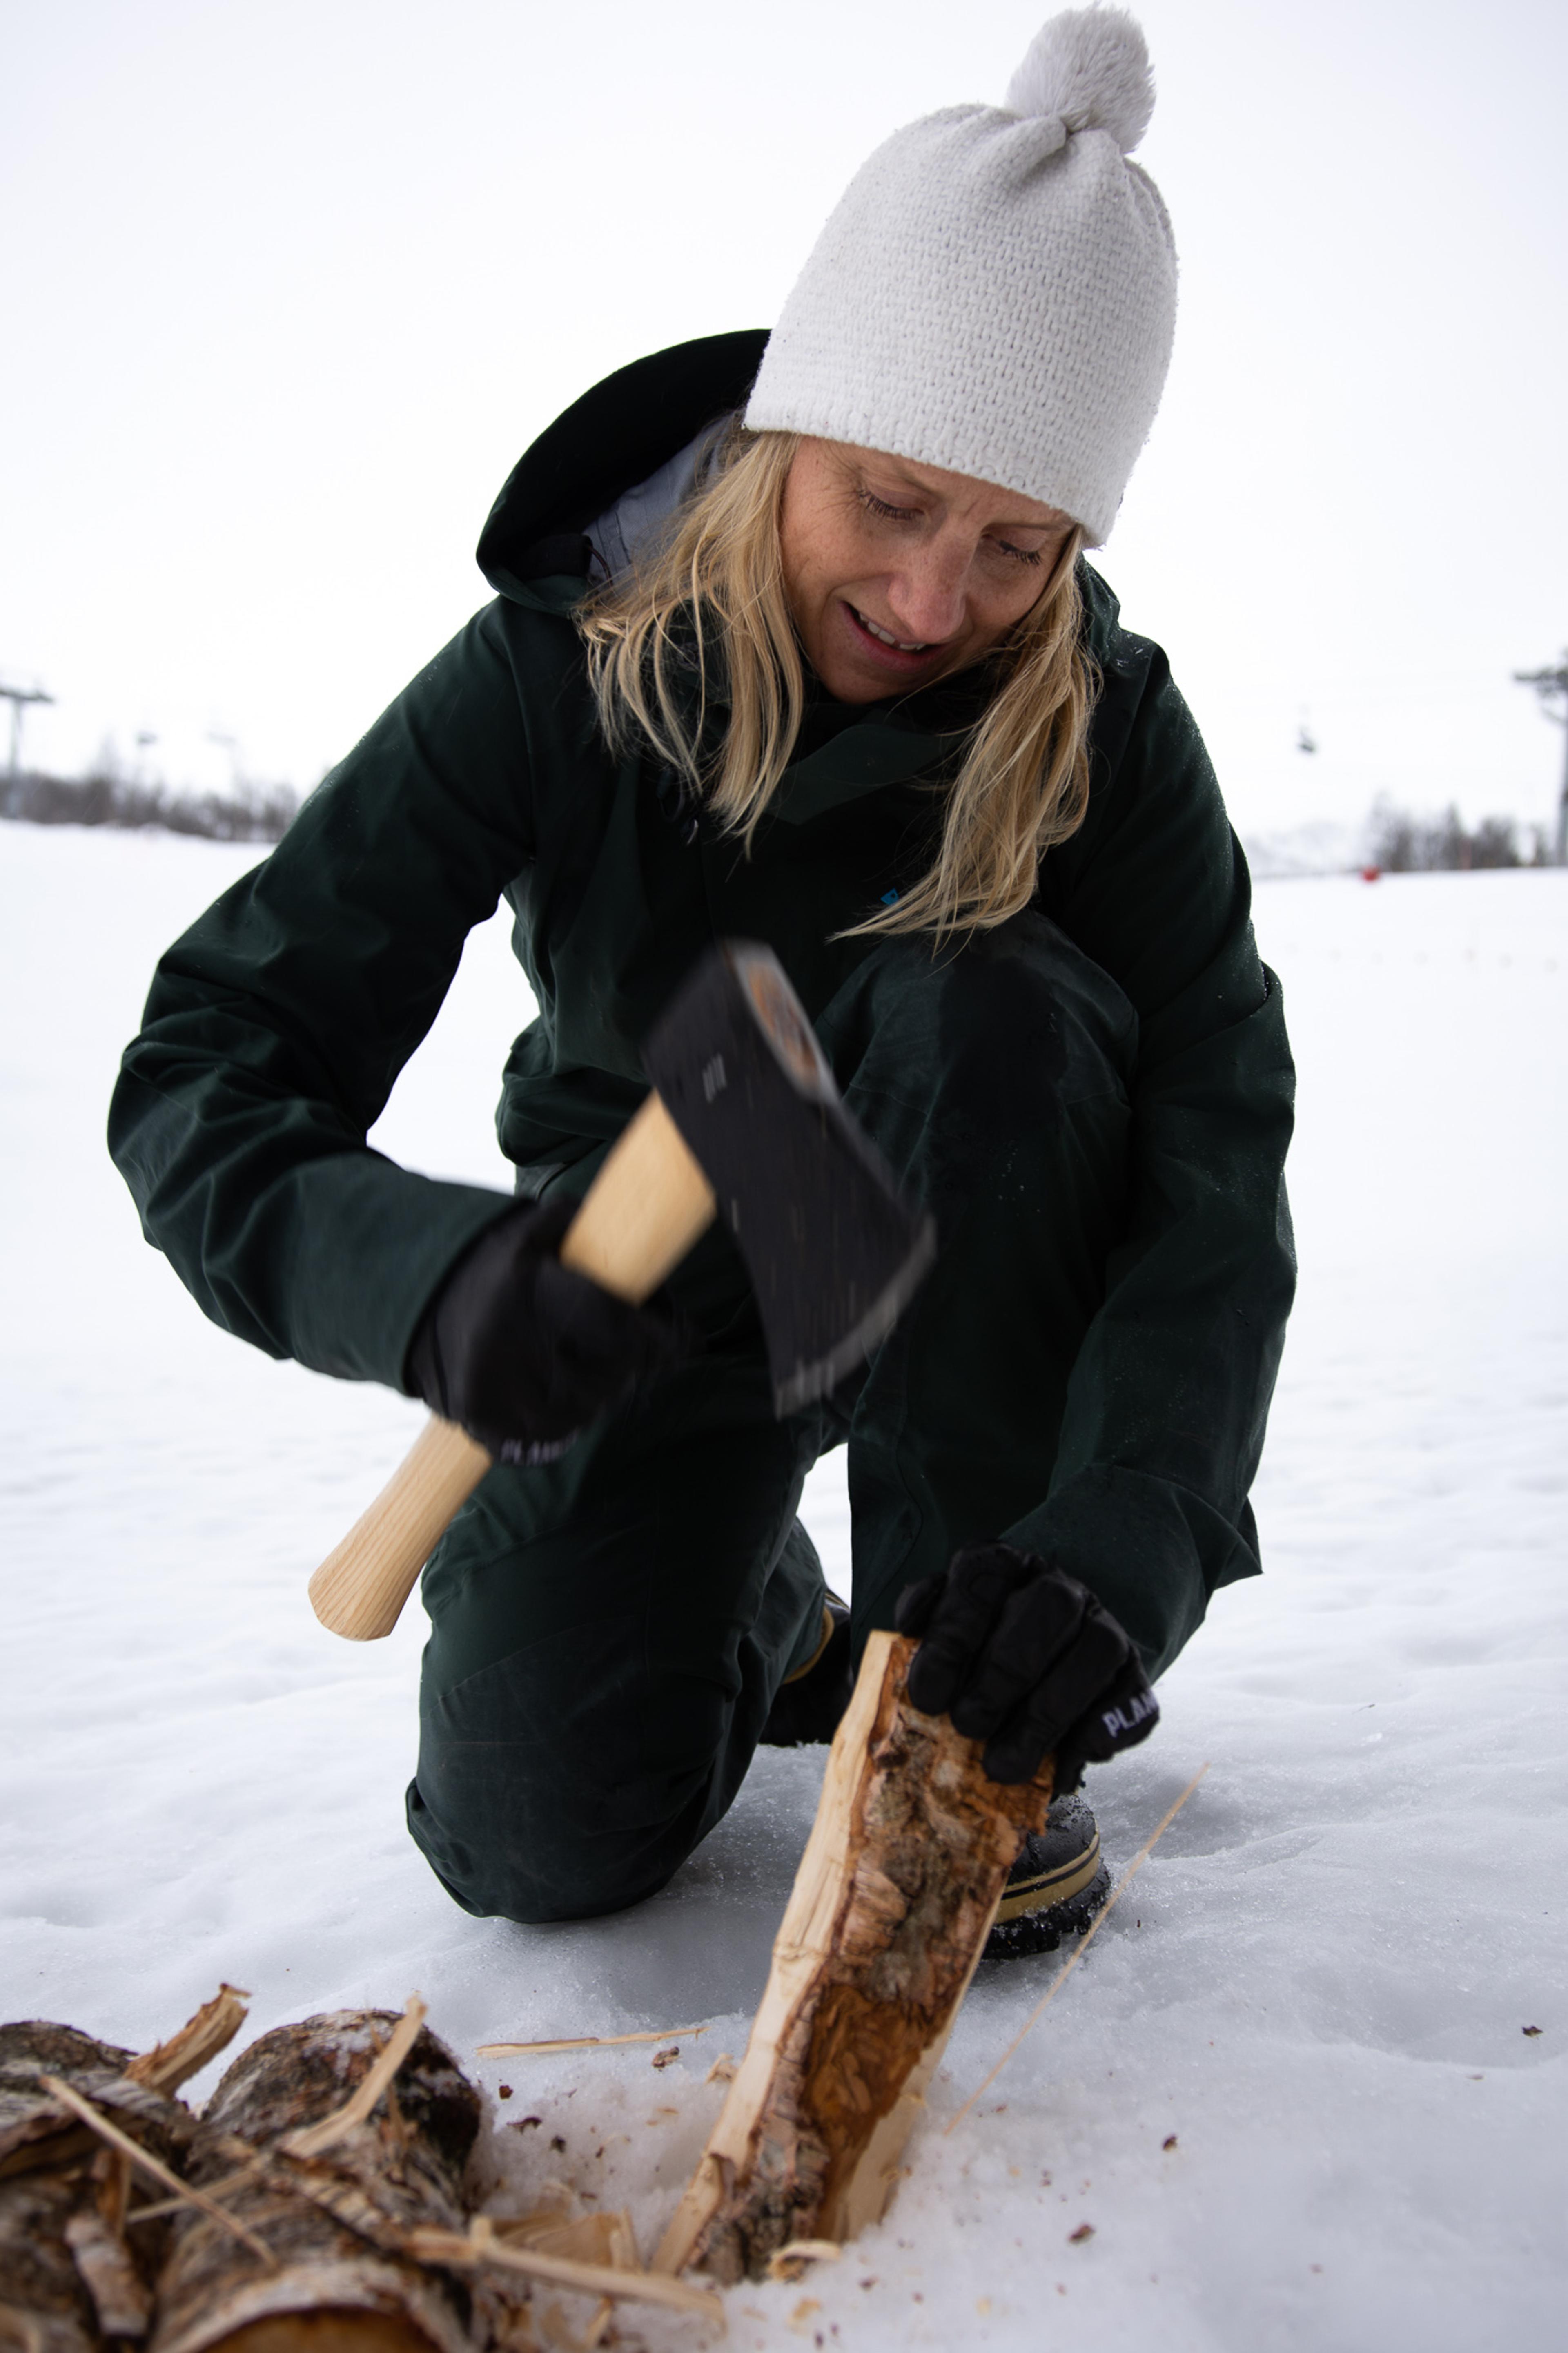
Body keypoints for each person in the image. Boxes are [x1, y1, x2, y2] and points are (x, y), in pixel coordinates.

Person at [109, 9, 1295, 1959]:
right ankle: (773, 1618)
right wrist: (432, 1282)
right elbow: (210, 1060)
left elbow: (1215, 1144)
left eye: (1016, 544)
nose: (934, 602)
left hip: (966, 1221)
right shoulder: (558, 667)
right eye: (893, 502)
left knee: (989, 1003)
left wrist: (1129, 1527)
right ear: (784, 431)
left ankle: (952, 1710)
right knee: (537, 1836)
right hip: (650, 1273)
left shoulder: (1103, 721)